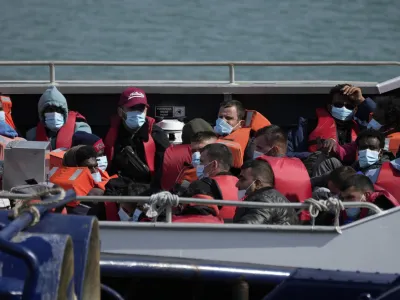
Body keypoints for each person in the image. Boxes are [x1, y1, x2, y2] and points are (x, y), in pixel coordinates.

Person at [104, 87, 170, 189]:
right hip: (118, 186)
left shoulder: (157, 134)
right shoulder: (111, 133)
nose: (137, 112)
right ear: (120, 111)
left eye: (140, 108)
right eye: (132, 108)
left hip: (148, 187)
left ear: (146, 111)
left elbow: (166, 167)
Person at [288, 84, 376, 153]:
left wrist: (362, 100)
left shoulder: (362, 127)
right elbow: (290, 152)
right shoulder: (308, 125)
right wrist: (314, 155)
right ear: (330, 107)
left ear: (355, 110)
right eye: (338, 105)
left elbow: (383, 122)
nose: (343, 108)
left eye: (349, 106)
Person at [327, 96, 400, 161]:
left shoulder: (391, 141)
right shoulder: (369, 136)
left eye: (377, 119)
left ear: (391, 123)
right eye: (373, 117)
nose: (372, 121)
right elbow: (348, 150)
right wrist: (334, 145)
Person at [253, 125, 312, 203]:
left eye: (259, 148)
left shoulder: (264, 171)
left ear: (274, 150)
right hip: (300, 213)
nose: (254, 150)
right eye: (254, 147)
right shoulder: (300, 167)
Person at [233, 160, 298, 225]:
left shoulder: (265, 201)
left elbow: (245, 229)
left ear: (257, 184)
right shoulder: (268, 198)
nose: (237, 184)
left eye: (242, 179)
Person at [185, 143, 239, 221]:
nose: (199, 165)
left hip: (211, 230)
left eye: (201, 162)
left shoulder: (202, 186)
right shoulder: (242, 186)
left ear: (214, 165)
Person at [26, 86, 91, 150]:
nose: (54, 113)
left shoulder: (81, 129)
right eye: (50, 110)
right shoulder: (32, 135)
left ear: (65, 112)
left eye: (58, 110)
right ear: (42, 114)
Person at [160, 119, 215, 191]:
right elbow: (181, 192)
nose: (197, 154)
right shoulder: (187, 175)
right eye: (193, 151)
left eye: (202, 150)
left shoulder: (225, 173)